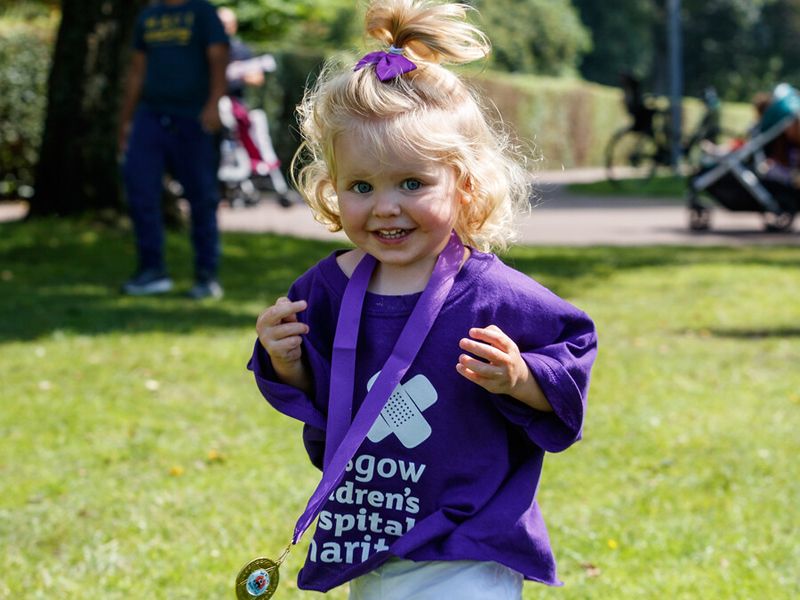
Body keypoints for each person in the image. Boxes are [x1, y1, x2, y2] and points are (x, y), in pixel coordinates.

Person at [247, 1, 597, 598]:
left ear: (465, 185)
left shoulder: (493, 291)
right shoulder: (324, 289)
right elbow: (319, 394)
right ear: (331, 188)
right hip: (373, 531)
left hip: (469, 538)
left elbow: (570, 356)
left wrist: (520, 378)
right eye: (362, 186)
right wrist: (284, 359)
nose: (386, 206)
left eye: (412, 183)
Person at [118, 0, 229, 299]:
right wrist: (126, 123)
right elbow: (137, 70)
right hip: (150, 116)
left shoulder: (202, 12)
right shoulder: (149, 16)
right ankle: (151, 271)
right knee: (140, 190)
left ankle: (206, 277)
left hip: (193, 118)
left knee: (201, 197)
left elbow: (219, 58)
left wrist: (214, 103)